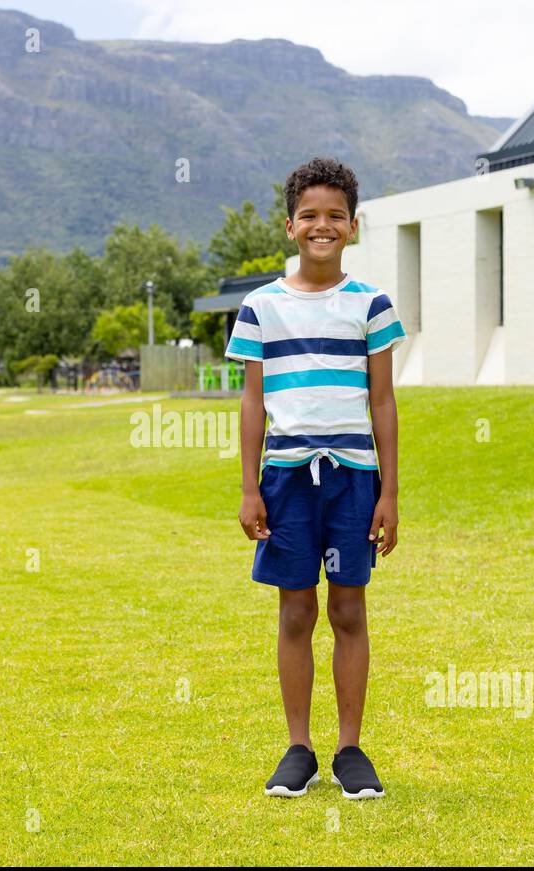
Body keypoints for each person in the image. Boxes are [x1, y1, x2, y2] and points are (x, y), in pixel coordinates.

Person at [226, 157, 405, 799]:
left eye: (335, 216)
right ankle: (298, 747)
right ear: (290, 225)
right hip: (286, 478)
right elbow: (253, 402)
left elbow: (382, 402)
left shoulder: (372, 306)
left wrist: (388, 490)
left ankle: (350, 750)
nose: (322, 225)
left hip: (353, 479)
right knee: (296, 610)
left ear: (352, 226)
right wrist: (250, 487)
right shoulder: (260, 307)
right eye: (310, 215)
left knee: (349, 609)